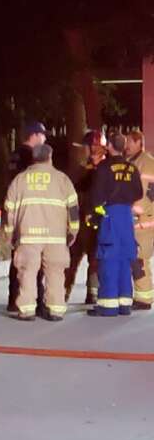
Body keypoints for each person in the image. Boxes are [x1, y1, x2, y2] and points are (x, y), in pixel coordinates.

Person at [3, 144, 79, 321]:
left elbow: (9, 210)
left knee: (27, 272)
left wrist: (9, 234)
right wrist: (73, 231)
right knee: (55, 272)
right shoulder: (62, 180)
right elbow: (73, 209)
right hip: (56, 236)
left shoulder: (19, 180)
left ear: (33, 158)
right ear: (50, 156)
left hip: (28, 235)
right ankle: (56, 310)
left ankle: (27, 310)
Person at [88, 132, 143, 316]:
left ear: (110, 146)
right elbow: (138, 193)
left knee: (108, 259)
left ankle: (108, 305)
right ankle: (125, 303)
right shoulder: (132, 168)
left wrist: (95, 214)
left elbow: (96, 196)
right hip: (126, 217)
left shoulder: (104, 167)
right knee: (125, 258)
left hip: (110, 216)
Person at [6, 120, 48, 312]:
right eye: (42, 135)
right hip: (30, 213)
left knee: (18, 258)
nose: (45, 138)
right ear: (34, 135)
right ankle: (35, 300)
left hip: (17, 213)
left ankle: (14, 299)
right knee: (33, 259)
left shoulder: (15, 155)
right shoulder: (31, 158)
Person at [64, 130, 107, 304]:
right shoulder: (86, 167)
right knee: (73, 258)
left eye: (86, 147)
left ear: (94, 147)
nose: (83, 151)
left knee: (94, 258)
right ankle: (62, 294)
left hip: (96, 220)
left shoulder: (104, 169)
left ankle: (92, 293)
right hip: (81, 219)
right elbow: (75, 185)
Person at [126, 130, 154, 310]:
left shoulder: (144, 163)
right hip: (141, 217)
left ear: (138, 142)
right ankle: (143, 295)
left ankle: (144, 298)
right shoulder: (138, 161)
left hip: (143, 218)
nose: (126, 146)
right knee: (137, 257)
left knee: (140, 258)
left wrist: (133, 210)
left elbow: (144, 194)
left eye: (129, 142)